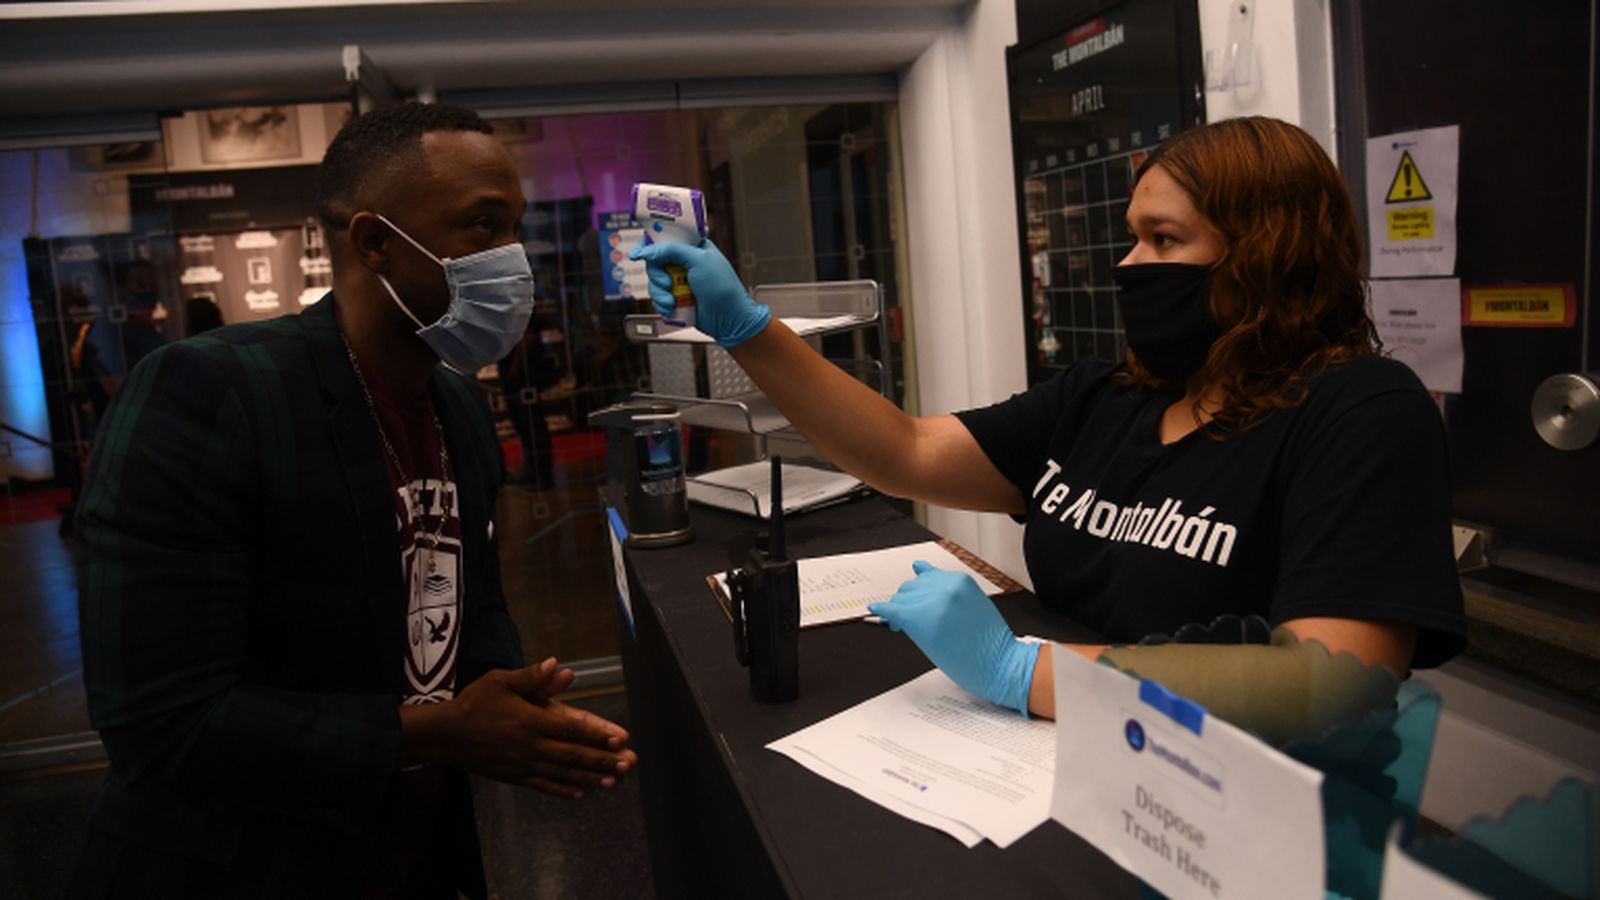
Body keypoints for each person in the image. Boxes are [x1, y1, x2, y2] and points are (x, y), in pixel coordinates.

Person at [631, 116, 1466, 739]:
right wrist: (746, 330)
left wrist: (1022, 669)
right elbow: (905, 452)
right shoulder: (1108, 398)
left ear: (1266, 255)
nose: (1129, 265)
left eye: (1163, 239)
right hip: (1063, 766)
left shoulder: (1361, 411)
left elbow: (1329, 687)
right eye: (1131, 238)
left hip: (1232, 820)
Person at [73, 103, 636, 898]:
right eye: (483, 225)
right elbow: (160, 725)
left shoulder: (460, 408)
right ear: (374, 241)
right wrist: (443, 732)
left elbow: (469, 607)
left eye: (515, 226)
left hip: (410, 858)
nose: (514, 258)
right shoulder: (209, 392)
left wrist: (516, 701)